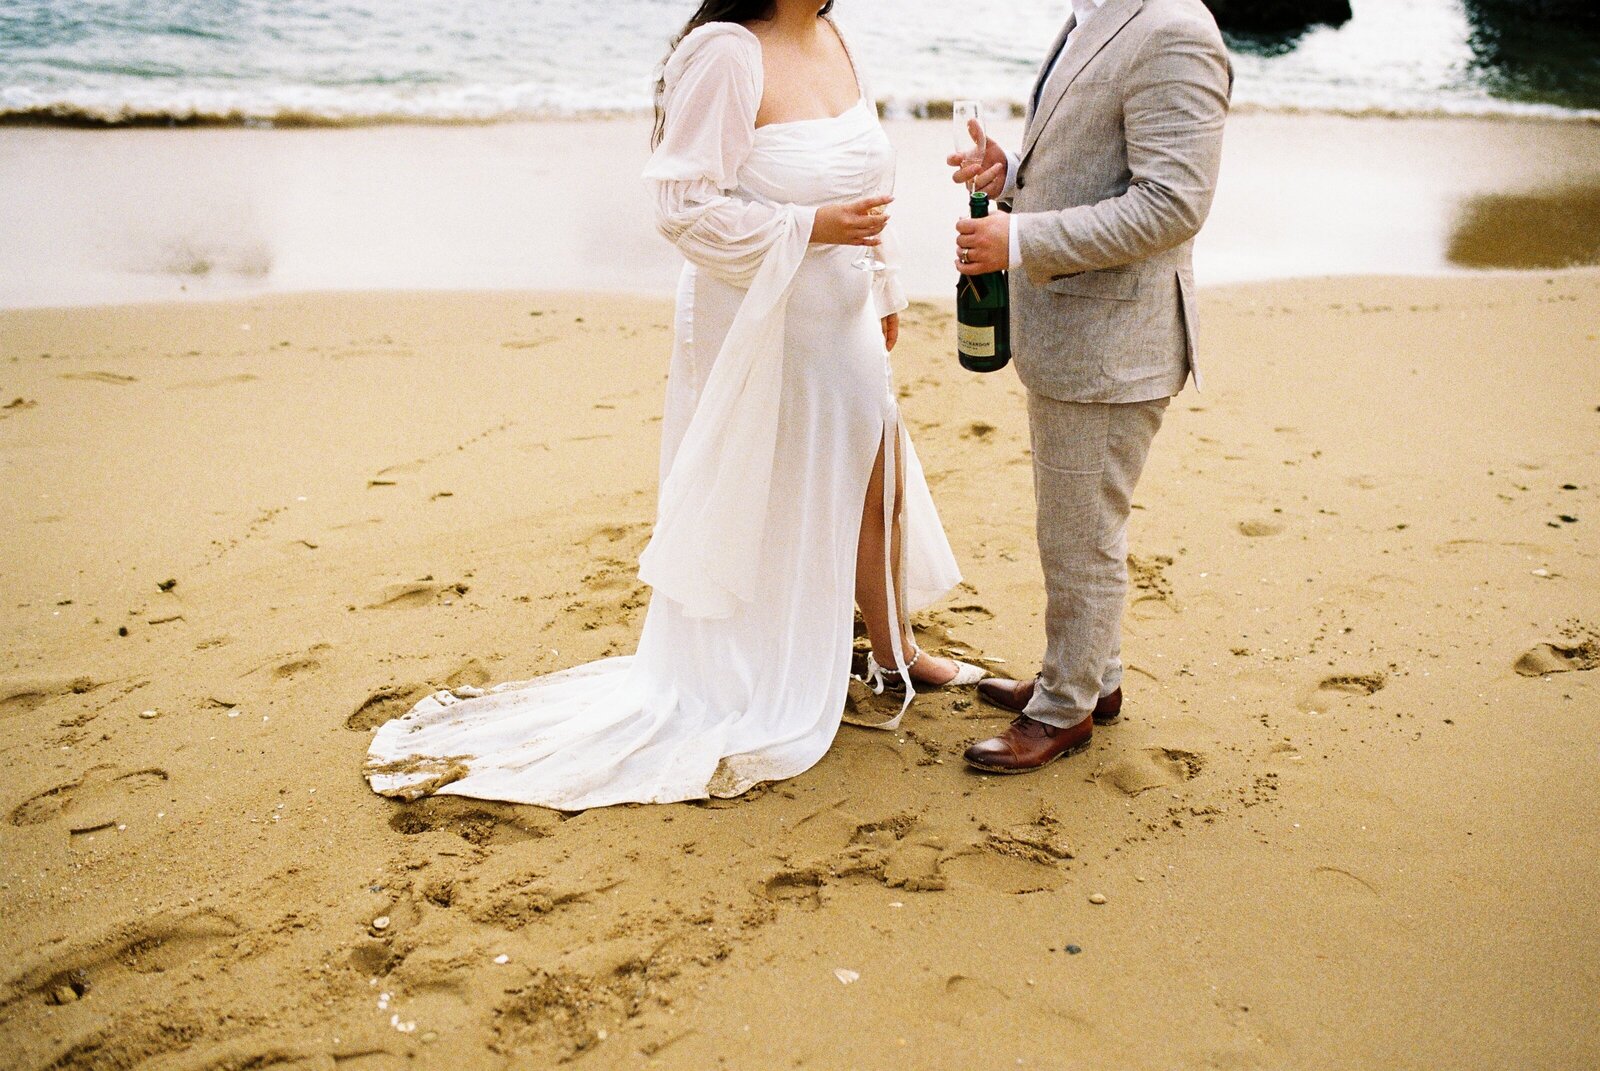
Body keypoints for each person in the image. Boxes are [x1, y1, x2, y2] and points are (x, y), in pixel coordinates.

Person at [363, 0, 986, 811]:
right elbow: (682, 207)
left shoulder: (834, 38)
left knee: (876, 468)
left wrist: (884, 280)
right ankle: (761, 668)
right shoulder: (727, 53)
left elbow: (868, 179)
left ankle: (892, 647)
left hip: (841, 305)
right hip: (755, 316)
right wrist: (811, 227)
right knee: (763, 488)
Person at [949, 0, 1231, 773]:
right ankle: (1093, 679)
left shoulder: (1175, 28)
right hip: (1078, 329)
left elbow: (1174, 204)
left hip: (1115, 340)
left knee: (1080, 540)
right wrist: (1015, 182)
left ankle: (1063, 709)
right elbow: (1097, 166)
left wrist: (1021, 238)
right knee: (1077, 525)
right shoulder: (1096, 15)